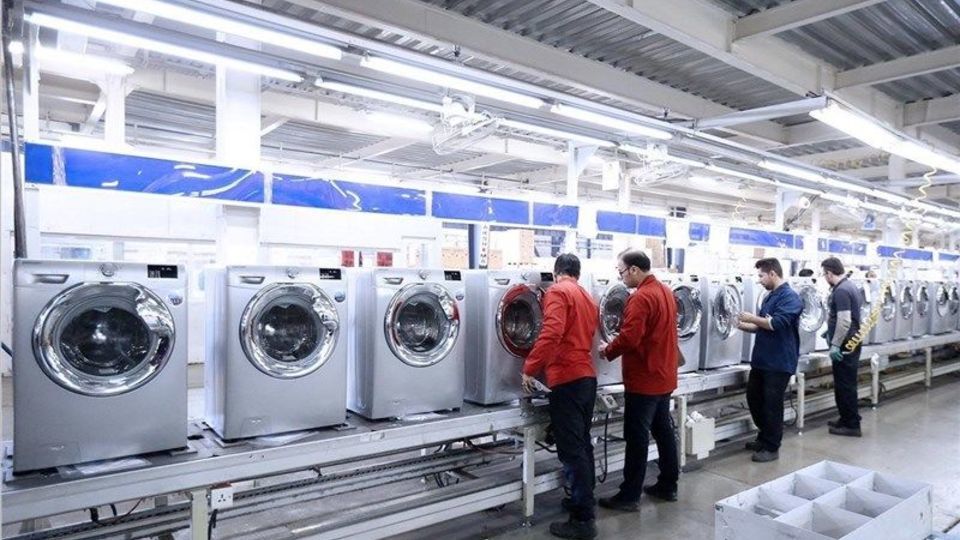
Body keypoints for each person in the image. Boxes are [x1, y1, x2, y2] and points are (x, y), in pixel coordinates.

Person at [521, 253, 599, 540]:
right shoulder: (586, 296)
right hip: (587, 377)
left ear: (556, 273)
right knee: (582, 445)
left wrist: (530, 368)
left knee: (571, 450)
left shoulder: (557, 291)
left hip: (567, 379)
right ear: (577, 273)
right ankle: (583, 500)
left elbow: (552, 332)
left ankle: (582, 520)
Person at [598, 250, 680, 511]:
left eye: (621, 271)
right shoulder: (665, 291)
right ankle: (668, 484)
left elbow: (630, 337)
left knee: (636, 437)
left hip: (645, 379)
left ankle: (629, 495)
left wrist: (607, 350)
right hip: (664, 375)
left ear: (634, 269)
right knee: (663, 431)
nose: (620, 277)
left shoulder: (641, 297)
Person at [736, 258, 803, 462]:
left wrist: (751, 318)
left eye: (761, 276)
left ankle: (772, 447)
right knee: (755, 399)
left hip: (779, 361)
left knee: (772, 404)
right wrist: (739, 324)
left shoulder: (791, 298)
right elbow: (761, 326)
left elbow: (776, 324)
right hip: (762, 359)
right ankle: (764, 437)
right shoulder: (769, 296)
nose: (759, 280)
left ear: (773, 273)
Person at [821, 257, 864, 437]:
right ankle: (846, 418)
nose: (824, 277)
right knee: (845, 383)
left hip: (846, 344)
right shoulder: (850, 286)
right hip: (852, 339)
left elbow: (845, 320)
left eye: (824, 274)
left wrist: (835, 344)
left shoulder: (841, 291)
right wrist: (829, 331)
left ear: (830, 273)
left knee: (845, 385)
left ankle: (852, 425)